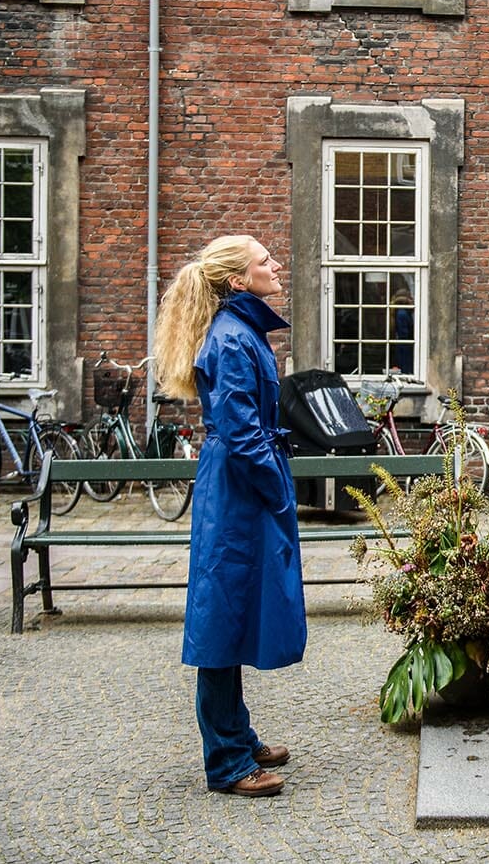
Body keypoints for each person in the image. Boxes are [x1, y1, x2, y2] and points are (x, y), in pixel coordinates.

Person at [155, 235, 305, 797]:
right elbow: (242, 432)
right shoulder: (233, 338)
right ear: (238, 281)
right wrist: (278, 491)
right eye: (265, 259)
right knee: (221, 618)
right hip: (238, 487)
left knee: (236, 610)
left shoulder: (241, 331)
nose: (276, 263)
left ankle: (237, 736)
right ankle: (226, 762)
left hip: (240, 482)